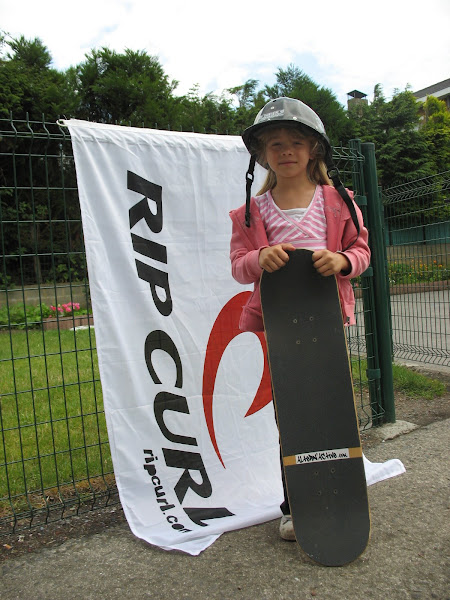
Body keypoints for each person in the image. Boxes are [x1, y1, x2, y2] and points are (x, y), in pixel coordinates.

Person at [229, 97, 371, 541]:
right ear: (262, 155)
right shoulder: (253, 211)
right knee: (294, 414)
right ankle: (296, 505)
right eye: (275, 144)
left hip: (326, 326)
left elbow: (362, 250)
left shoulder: (338, 201)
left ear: (313, 150)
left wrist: (343, 260)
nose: (286, 150)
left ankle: (343, 494)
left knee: (331, 409)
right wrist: (258, 257)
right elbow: (238, 265)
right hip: (279, 327)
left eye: (295, 142)